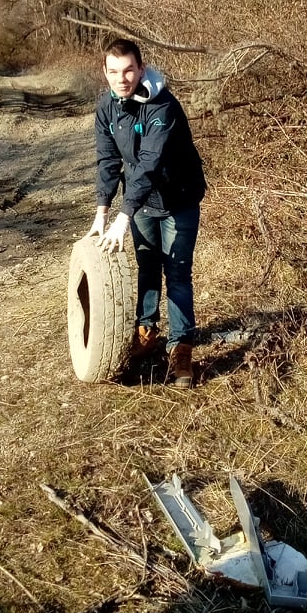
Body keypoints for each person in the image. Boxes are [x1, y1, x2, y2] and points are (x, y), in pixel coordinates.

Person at [88, 38, 206, 388]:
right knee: (147, 267)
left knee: (178, 273)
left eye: (128, 70)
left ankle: (181, 350)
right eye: (114, 71)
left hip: (178, 201)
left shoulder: (162, 105)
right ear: (104, 72)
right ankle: (147, 331)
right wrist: (102, 213)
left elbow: (150, 164)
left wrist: (123, 217)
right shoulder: (106, 107)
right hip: (141, 204)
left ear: (141, 69)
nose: (121, 79)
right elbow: (108, 160)